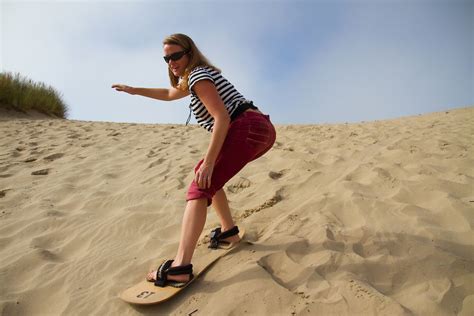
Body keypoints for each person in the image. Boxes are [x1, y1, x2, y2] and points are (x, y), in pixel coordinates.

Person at [111, 33, 276, 288]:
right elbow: (169, 93)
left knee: (201, 184)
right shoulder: (194, 78)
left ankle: (180, 267)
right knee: (204, 173)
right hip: (258, 129)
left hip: (247, 128)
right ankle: (228, 231)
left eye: (176, 55)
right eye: (166, 58)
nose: (171, 62)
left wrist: (210, 161)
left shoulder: (198, 75)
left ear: (189, 53)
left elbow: (221, 117)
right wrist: (135, 91)